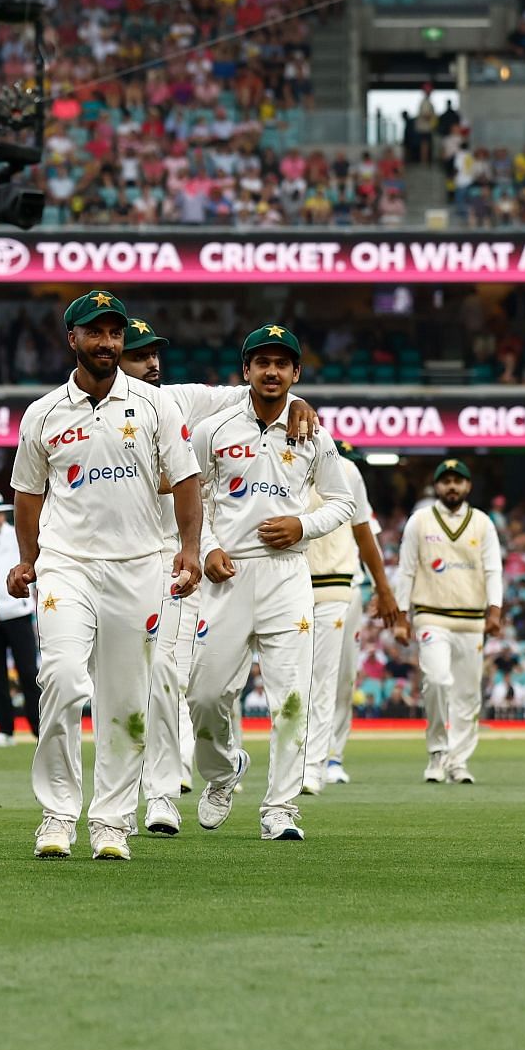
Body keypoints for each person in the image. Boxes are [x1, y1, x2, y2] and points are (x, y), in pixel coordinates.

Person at [8, 291, 201, 861]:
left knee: (125, 701)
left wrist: (188, 550)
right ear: (73, 339)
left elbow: (187, 479)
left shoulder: (155, 405)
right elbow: (27, 491)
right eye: (96, 333)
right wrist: (27, 558)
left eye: (115, 334)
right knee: (63, 680)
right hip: (66, 565)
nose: (108, 343)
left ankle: (112, 821)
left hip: (139, 566)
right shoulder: (43, 413)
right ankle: (58, 813)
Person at [115, 316, 316, 834]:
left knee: (168, 678)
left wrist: (298, 404)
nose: (152, 364)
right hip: (117, 563)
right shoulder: (85, 412)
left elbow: (257, 390)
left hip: (183, 560)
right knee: (131, 687)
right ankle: (205, 771)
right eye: (139, 356)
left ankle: (161, 795)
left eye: (155, 354)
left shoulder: (184, 401)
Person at [187, 325, 354, 842]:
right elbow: (195, 500)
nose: (272, 371)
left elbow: (342, 502)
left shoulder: (313, 435)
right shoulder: (212, 431)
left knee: (290, 698)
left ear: (296, 373)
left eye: (282, 364)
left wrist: (302, 526)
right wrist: (209, 545)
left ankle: (280, 808)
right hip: (227, 572)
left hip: (287, 576)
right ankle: (220, 772)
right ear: (246, 371)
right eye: (262, 362)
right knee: (205, 693)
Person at [391, 459, 502, 785]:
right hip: (431, 615)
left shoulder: (483, 522)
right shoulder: (420, 521)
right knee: (437, 681)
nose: (452, 486)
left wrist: (494, 611)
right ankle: (438, 753)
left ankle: (459, 761)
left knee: (468, 696)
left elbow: (494, 568)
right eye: (446, 481)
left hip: (471, 620)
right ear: (436, 487)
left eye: (458, 481)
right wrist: (401, 618)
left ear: (468, 486)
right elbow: (406, 569)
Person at [304, 439, 400, 793]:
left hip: (343, 586)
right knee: (300, 676)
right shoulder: (285, 466)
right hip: (293, 582)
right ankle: (300, 757)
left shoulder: (347, 473)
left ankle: (331, 757)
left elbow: (366, 535)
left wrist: (382, 587)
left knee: (340, 677)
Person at [0, 492, 39, 747]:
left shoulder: (16, 536)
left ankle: (38, 727)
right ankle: (5, 729)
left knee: (28, 672)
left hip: (18, 612)